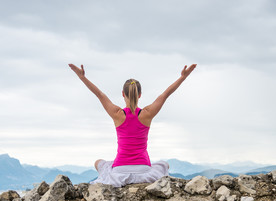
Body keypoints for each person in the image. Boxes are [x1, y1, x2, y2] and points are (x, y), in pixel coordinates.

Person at [69, 63, 197, 187]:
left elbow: (99, 94)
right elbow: (165, 94)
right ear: (140, 95)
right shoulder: (147, 113)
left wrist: (82, 77)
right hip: (144, 169)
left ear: (123, 94)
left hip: (120, 170)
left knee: (98, 163)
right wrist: (183, 77)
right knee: (165, 165)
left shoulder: (117, 114)